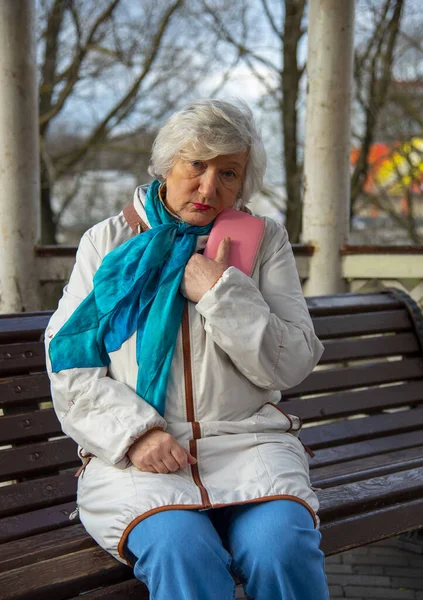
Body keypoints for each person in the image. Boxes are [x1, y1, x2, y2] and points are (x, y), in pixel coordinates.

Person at [45, 98, 329, 600]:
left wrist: (221, 292)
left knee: (281, 546)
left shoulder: (265, 243)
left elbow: (292, 361)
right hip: (141, 458)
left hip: (249, 444)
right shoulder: (106, 241)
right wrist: (135, 434)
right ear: (168, 163)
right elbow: (70, 362)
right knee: (182, 551)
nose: (208, 187)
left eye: (228, 173)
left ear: (243, 184)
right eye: (196, 164)